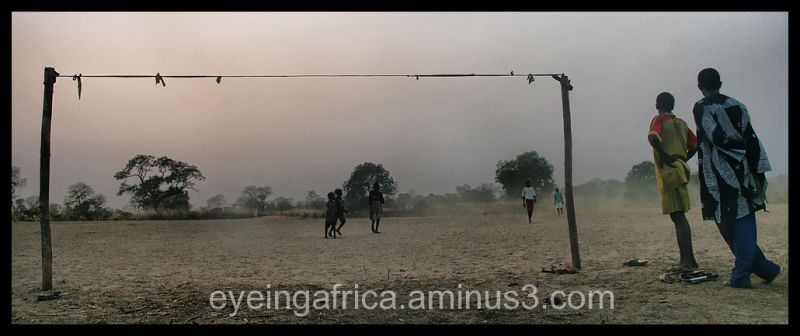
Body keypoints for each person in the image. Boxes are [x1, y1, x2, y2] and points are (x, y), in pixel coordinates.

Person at [693, 68, 780, 288]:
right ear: (720, 82)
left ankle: (741, 274)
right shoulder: (738, 106)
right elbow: (751, 138)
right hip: (745, 171)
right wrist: (757, 172)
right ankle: (765, 269)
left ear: (699, 86)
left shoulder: (701, 107)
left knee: (728, 223)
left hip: (718, 177)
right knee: (744, 217)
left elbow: (714, 137)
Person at [648, 91, 700, 271]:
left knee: (677, 216)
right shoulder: (682, 123)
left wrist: (666, 157)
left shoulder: (659, 119)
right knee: (680, 215)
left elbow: (653, 137)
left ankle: (687, 261)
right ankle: (689, 259)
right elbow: (696, 144)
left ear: (657, 104)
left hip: (670, 171)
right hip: (681, 168)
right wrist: (683, 158)